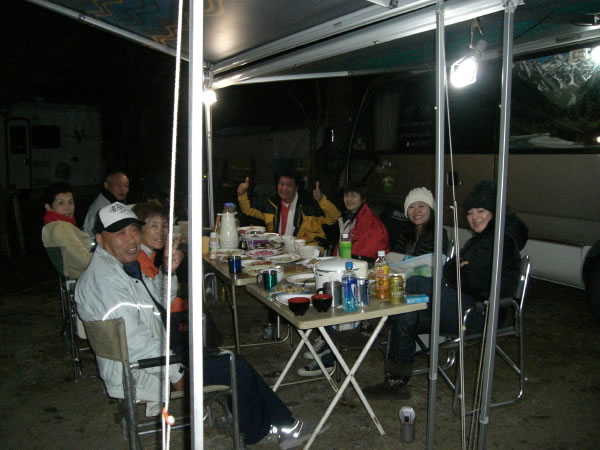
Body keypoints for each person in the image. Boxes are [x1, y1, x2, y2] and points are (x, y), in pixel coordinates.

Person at [76, 203, 315, 447]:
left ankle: (278, 422)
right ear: (100, 238)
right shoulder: (105, 281)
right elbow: (135, 343)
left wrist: (168, 272)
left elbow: (159, 301)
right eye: (120, 233)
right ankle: (263, 430)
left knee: (228, 359)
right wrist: (177, 373)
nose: (131, 239)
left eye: (134, 231)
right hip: (141, 371)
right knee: (234, 365)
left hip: (149, 358)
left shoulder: (117, 268)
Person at [364, 180, 528, 398]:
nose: (474, 217)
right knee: (405, 313)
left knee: (417, 283)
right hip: (462, 305)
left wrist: (461, 271)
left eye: (481, 211)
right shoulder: (479, 240)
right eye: (470, 212)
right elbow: (450, 269)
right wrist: (461, 269)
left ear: (494, 213)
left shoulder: (502, 241)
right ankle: (395, 382)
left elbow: (475, 283)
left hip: (482, 313)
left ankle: (370, 320)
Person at [132, 201, 189, 355]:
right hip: (159, 328)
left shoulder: (147, 255)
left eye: (164, 226)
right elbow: (158, 302)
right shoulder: (138, 260)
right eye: (154, 226)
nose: (161, 232)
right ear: (139, 229)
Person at [237, 169, 341, 246]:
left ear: (296, 188)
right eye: (281, 184)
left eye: (289, 185)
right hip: (277, 250)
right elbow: (247, 209)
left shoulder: (309, 205)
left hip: (306, 252)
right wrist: (242, 194)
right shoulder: (270, 203)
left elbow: (334, 217)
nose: (284, 188)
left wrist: (321, 199)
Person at [41, 182, 92, 278]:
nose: (68, 208)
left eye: (70, 202)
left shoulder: (51, 225)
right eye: (61, 203)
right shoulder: (61, 227)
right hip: (83, 277)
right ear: (48, 207)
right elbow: (85, 260)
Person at [390, 186, 449, 257]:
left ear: (431, 210)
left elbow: (428, 261)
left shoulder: (438, 233)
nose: (416, 211)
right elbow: (395, 257)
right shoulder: (404, 231)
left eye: (421, 206)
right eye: (411, 207)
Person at [338, 181, 389, 261]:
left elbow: (363, 254)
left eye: (353, 196)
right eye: (346, 195)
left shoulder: (369, 222)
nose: (349, 199)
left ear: (363, 199)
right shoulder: (350, 217)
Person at [83, 171, 130, 237]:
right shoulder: (101, 208)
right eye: (118, 185)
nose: (123, 189)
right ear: (106, 185)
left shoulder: (114, 203)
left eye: (126, 185)